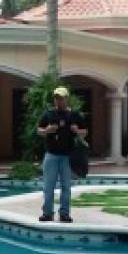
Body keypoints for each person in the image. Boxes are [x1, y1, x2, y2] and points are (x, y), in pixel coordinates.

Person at [37, 86, 86, 222]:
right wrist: (47, 130)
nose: (59, 101)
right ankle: (47, 213)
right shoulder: (48, 114)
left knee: (66, 186)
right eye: (57, 98)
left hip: (67, 156)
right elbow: (39, 131)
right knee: (48, 186)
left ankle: (64, 214)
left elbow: (84, 132)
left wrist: (77, 130)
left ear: (66, 99)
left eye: (62, 98)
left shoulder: (74, 115)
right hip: (51, 155)